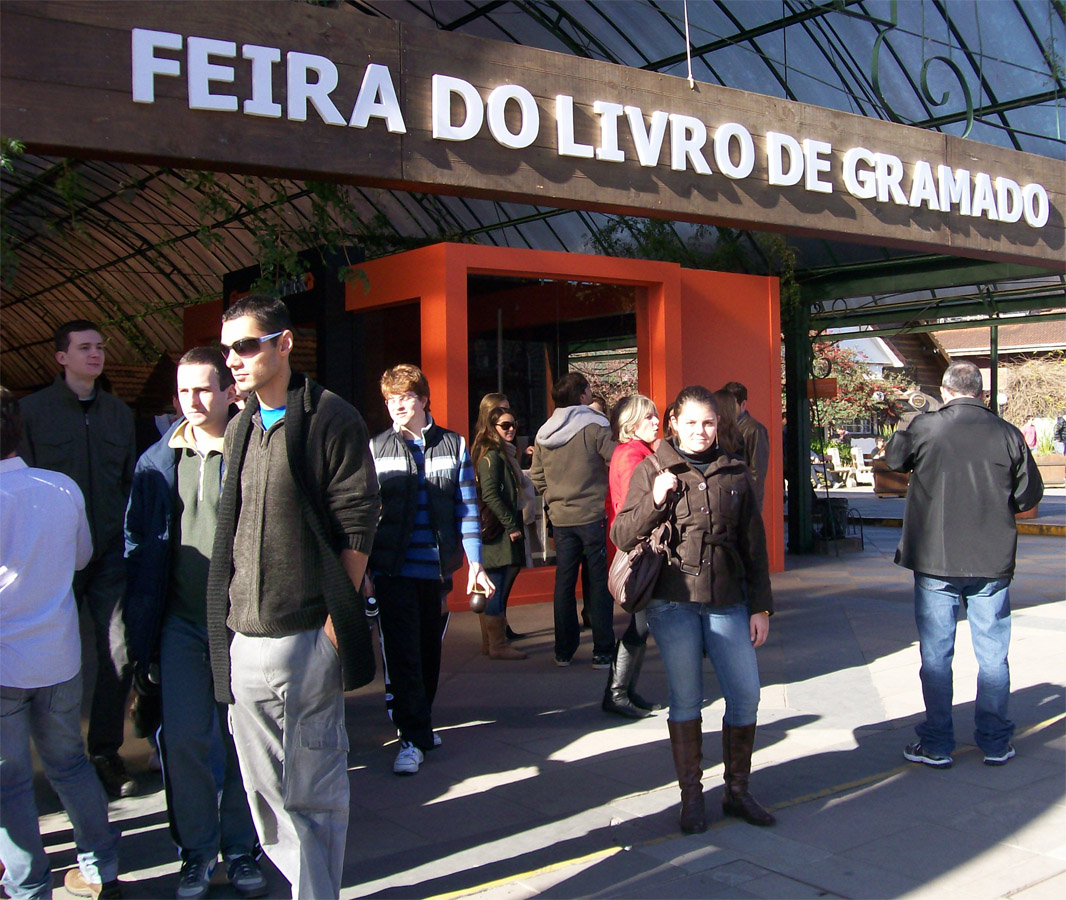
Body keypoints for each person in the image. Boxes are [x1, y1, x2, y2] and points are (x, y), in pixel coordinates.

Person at [206, 295, 380, 900]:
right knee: (263, 796)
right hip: (246, 637)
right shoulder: (240, 426)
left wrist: (336, 622)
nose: (233, 359)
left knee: (315, 789)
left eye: (245, 344)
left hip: (307, 636)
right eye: (227, 347)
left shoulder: (332, 417)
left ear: (283, 344)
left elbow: (358, 519)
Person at [124, 349, 266, 900]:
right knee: (183, 740)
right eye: (184, 391)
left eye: (203, 389)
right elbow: (138, 545)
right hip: (181, 624)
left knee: (240, 742)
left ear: (230, 392)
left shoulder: (254, 452)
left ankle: (241, 848)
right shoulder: (157, 462)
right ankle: (197, 853)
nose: (192, 401)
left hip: (242, 622)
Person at [612, 385, 775, 834]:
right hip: (673, 601)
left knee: (745, 693)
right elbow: (622, 534)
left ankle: (737, 791)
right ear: (673, 425)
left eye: (708, 423)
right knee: (686, 698)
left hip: (728, 599)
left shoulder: (736, 472)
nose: (702, 431)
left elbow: (754, 546)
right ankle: (692, 797)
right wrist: (656, 499)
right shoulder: (653, 469)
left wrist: (761, 607)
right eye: (691, 423)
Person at [884, 361, 1042, 769]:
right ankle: (994, 742)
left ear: (945, 389)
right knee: (993, 655)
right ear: (982, 393)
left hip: (936, 560)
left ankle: (937, 743)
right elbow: (1028, 497)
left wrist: (910, 420)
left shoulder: (927, 425)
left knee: (937, 655)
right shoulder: (1008, 434)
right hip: (992, 561)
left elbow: (895, 459)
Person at [0, 386, 122, 900]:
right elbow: (80, 559)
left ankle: (29, 886)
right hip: (60, 653)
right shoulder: (62, 487)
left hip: (5, 662)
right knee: (70, 765)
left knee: (8, 783)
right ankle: (101, 868)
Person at [17, 320, 138, 799]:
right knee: (57, 656)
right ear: (61, 357)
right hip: (54, 558)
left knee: (117, 649)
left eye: (100, 347)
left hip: (108, 552)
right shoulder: (33, 413)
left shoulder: (117, 414)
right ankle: (60, 757)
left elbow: (129, 482)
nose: (96, 354)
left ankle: (105, 751)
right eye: (84, 348)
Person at [368, 364, 495, 776]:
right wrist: (364, 568)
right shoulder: (376, 448)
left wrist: (475, 562)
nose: (397, 406)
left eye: (404, 397)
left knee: (427, 653)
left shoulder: (454, 446)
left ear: (423, 399)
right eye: (390, 400)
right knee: (402, 655)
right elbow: (367, 513)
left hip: (436, 570)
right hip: (392, 569)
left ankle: (420, 725)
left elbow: (467, 509)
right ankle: (411, 737)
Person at [530, 371, 616, 668]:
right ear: (582, 396)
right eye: (589, 389)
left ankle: (563, 650)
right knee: (598, 583)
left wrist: (553, 497)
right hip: (592, 514)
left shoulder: (544, 432)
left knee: (563, 584)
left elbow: (537, 476)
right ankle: (603, 649)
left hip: (561, 517)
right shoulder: (594, 426)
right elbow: (615, 458)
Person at [602, 394, 663, 719]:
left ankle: (623, 692)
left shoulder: (636, 453)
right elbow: (632, 511)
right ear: (632, 424)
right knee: (639, 625)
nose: (656, 422)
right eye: (649, 417)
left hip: (637, 550)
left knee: (641, 625)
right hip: (637, 553)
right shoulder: (632, 456)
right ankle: (617, 693)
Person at [471, 406, 527, 660]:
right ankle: (497, 644)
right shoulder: (491, 455)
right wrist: (511, 525)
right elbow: (491, 494)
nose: (511, 429)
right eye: (505, 425)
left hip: (498, 527)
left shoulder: (498, 453)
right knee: (496, 584)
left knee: (496, 583)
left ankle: (490, 643)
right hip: (496, 530)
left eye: (514, 424)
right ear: (492, 427)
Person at [720, 381, 770, 511]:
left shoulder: (755, 429)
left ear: (743, 404)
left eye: (732, 404)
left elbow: (757, 472)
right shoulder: (723, 427)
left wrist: (750, 504)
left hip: (745, 499)